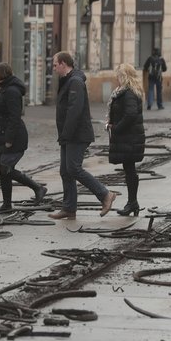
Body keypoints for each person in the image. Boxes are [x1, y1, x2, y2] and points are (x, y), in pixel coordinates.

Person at [49, 52, 117, 220]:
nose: (54, 67)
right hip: (68, 134)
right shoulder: (68, 81)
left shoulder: (75, 82)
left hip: (77, 134)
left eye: (55, 64)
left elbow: (75, 111)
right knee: (65, 171)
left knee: (73, 168)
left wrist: (66, 134)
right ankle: (69, 208)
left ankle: (105, 194)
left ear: (64, 64)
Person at [0, 63, 47, 212]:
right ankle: (7, 204)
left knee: (6, 168)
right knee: (3, 169)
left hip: (14, 138)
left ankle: (38, 188)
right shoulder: (5, 89)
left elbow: (14, 117)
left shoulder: (11, 91)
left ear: (1, 74)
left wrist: (9, 140)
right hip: (3, 136)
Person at [106, 64, 146, 216]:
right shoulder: (127, 92)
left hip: (129, 138)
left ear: (125, 76)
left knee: (130, 170)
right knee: (129, 170)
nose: (117, 78)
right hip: (130, 138)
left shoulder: (128, 93)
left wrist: (116, 128)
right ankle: (132, 203)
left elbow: (130, 115)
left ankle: (132, 203)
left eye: (119, 75)